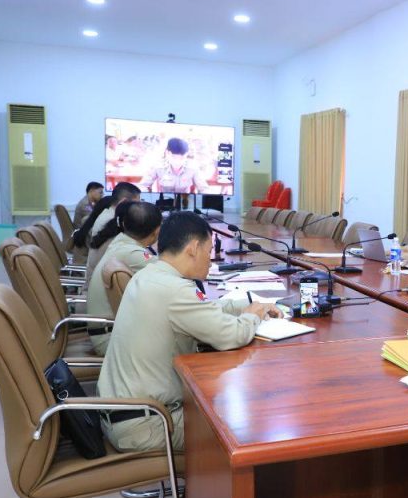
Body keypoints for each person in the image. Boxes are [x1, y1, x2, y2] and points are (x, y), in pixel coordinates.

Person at [96, 212, 283, 452]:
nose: (210, 260)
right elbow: (231, 335)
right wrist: (252, 316)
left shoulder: (150, 275)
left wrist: (246, 305)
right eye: (209, 251)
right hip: (149, 425)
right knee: (244, 424)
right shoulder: (174, 290)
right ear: (193, 248)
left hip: (124, 415)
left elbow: (200, 310)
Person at [86, 201, 162, 355]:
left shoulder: (121, 242)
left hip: (109, 330)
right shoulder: (131, 253)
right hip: (109, 338)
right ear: (157, 231)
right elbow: (172, 271)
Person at [78, 182, 142, 286]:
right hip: (101, 285)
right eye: (136, 205)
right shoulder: (113, 222)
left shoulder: (108, 214)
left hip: (98, 281)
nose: (138, 209)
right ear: (123, 202)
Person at [139, 137, 208, 194]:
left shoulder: (193, 168)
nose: (177, 162)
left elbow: (204, 189)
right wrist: (148, 198)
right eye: (174, 157)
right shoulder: (157, 166)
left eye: (182, 158)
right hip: (164, 201)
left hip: (185, 201)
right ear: (167, 153)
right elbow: (143, 186)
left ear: (186, 155)